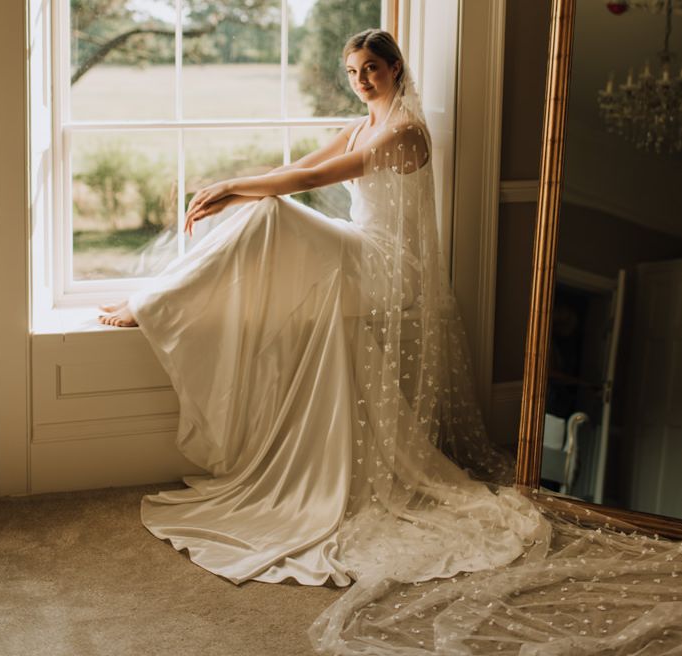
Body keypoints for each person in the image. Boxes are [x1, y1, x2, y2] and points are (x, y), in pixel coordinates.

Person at [99, 30, 682, 655]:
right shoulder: (360, 124)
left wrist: (236, 187)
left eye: (371, 68)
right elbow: (297, 167)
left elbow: (316, 178)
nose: (361, 79)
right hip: (358, 252)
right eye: (352, 70)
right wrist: (238, 184)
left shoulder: (405, 133)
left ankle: (153, 304)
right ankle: (166, 297)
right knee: (260, 209)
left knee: (267, 210)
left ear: (396, 68)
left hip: (387, 266)